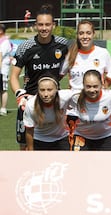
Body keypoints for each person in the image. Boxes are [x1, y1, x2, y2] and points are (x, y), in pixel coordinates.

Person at [10, 4, 69, 150]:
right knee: (25, 147)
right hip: (29, 101)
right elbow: (14, 76)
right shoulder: (26, 47)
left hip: (53, 103)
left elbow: (72, 69)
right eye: (41, 24)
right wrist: (20, 96)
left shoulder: (63, 45)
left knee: (57, 145)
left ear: (53, 25)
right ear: (36, 25)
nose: (44, 28)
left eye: (47, 24)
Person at [69, 70, 111, 151]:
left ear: (101, 84)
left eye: (95, 86)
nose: (92, 90)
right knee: (78, 163)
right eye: (88, 86)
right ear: (83, 85)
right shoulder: (74, 97)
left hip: (107, 136)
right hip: (81, 136)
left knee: (110, 163)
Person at [23, 75, 76, 150]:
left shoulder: (64, 96)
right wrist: (31, 151)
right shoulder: (31, 105)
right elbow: (29, 130)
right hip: (39, 140)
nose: (45, 94)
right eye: (42, 90)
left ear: (56, 89)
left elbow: (82, 94)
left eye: (49, 90)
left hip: (61, 139)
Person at [60, 19, 111, 91]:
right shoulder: (70, 54)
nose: (85, 36)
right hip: (75, 99)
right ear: (77, 35)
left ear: (93, 34)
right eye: (81, 33)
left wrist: (103, 87)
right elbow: (60, 75)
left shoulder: (103, 53)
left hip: (96, 99)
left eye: (88, 33)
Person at [0, 24, 12, 116]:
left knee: (3, 89)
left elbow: (0, 55)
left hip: (2, 69)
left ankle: (3, 108)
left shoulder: (5, 42)